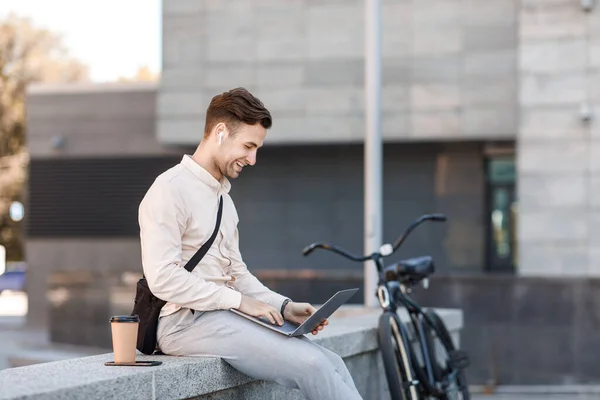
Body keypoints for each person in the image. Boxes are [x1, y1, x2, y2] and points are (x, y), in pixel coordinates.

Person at [138, 87, 363, 400]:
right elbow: (162, 277)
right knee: (312, 364)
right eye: (248, 146)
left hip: (223, 317)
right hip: (182, 323)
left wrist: (283, 307)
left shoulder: (223, 201)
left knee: (331, 362)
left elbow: (237, 274)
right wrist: (239, 303)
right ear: (220, 133)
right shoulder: (169, 189)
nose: (253, 159)